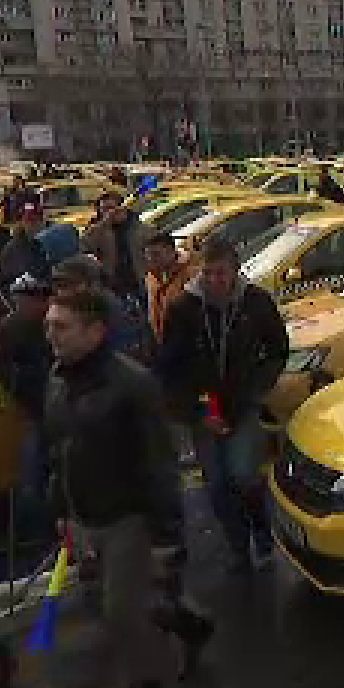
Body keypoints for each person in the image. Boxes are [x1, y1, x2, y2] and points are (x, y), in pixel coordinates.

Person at [43, 286, 211, 688]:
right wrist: (62, 509)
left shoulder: (132, 386)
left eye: (62, 326)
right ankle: (190, 626)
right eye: (50, 324)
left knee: (123, 618)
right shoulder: (59, 378)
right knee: (122, 605)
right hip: (87, 515)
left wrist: (166, 538)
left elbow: (158, 467)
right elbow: (60, 449)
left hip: (129, 520)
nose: (50, 334)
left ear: (96, 332)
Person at [156, 235, 289, 574]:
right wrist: (196, 409)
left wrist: (258, 387)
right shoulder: (184, 309)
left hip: (242, 402)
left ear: (235, 271)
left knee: (244, 475)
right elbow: (170, 367)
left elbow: (277, 349)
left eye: (222, 273)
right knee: (216, 484)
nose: (215, 281)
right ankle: (237, 547)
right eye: (209, 273)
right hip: (204, 407)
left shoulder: (255, 302)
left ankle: (261, 531)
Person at [0, 273, 54, 532]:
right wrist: (21, 386)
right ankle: (37, 522)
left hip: (58, 401)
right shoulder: (11, 326)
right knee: (34, 465)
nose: (22, 305)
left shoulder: (54, 321)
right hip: (35, 404)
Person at [53, 254, 143, 358]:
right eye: (59, 286)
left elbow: (121, 354)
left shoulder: (110, 309)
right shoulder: (73, 307)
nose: (62, 292)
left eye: (69, 285)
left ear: (92, 284)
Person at [80, 190, 150, 309]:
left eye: (111, 208)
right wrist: (104, 224)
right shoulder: (98, 228)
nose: (109, 212)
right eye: (104, 209)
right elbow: (84, 246)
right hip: (113, 286)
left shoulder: (137, 227)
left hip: (140, 283)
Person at [143, 233, 194, 347]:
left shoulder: (190, 274)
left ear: (171, 252)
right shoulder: (152, 278)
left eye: (156, 254)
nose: (151, 260)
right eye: (148, 256)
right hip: (163, 342)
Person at [0, 204, 52, 294]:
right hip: (26, 299)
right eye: (30, 220)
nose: (34, 224)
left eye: (38, 219)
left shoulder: (51, 241)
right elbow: (5, 282)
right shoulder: (12, 249)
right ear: (22, 222)